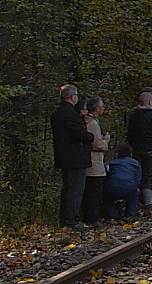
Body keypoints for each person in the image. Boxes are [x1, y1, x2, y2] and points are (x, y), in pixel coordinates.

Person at [51, 84, 95, 229]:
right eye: (76, 95)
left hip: (64, 157)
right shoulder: (70, 115)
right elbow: (80, 134)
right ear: (72, 97)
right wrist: (90, 136)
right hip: (75, 158)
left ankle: (65, 219)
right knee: (75, 190)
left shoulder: (57, 113)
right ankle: (71, 220)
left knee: (67, 189)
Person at [81, 96, 110, 225]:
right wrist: (105, 141)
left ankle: (88, 217)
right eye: (102, 106)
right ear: (97, 108)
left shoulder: (86, 121)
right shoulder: (92, 123)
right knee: (94, 193)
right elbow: (96, 145)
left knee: (89, 192)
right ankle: (91, 218)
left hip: (89, 162)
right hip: (94, 164)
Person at [103, 144, 142, 220]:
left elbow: (106, 175)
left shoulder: (112, 163)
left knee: (106, 197)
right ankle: (129, 214)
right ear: (131, 154)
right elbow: (138, 179)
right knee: (135, 194)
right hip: (129, 188)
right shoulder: (136, 163)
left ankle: (111, 215)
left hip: (113, 187)